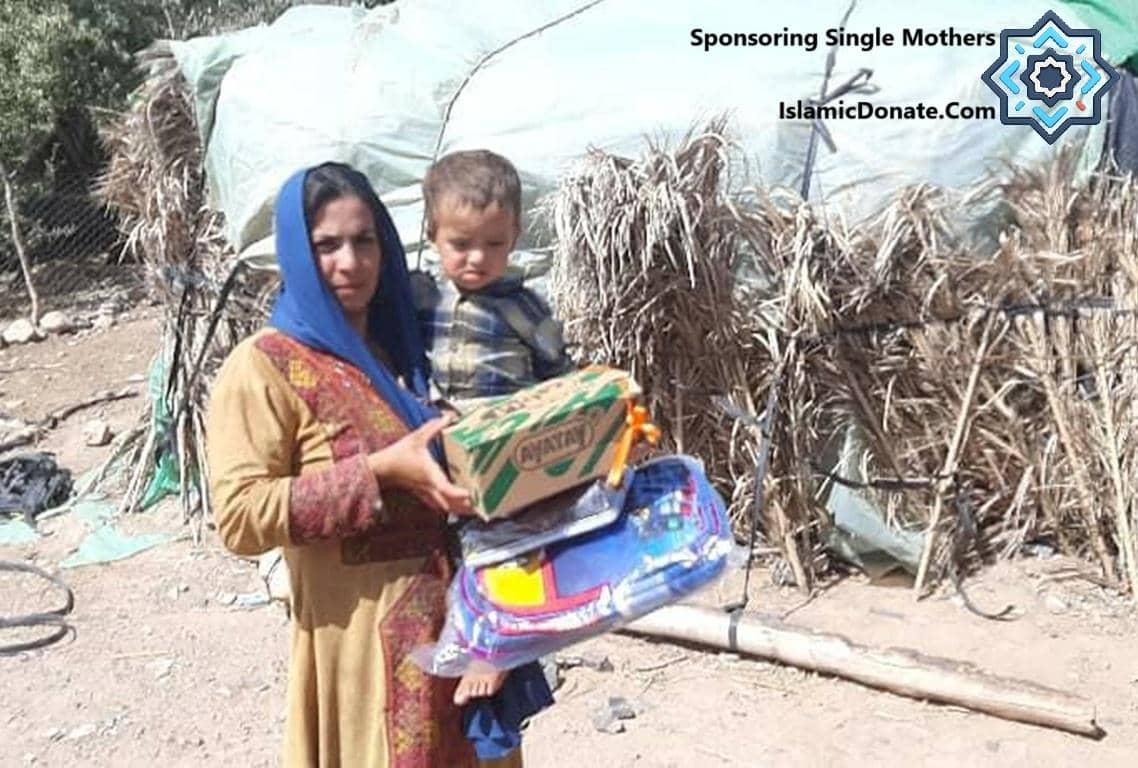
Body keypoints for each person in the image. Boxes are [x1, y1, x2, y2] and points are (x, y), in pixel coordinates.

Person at [206, 162, 510, 767]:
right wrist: (380, 473)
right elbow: (240, 518)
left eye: (364, 241)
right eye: (326, 245)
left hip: (465, 640)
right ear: (297, 254)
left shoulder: (413, 350)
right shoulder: (264, 367)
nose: (350, 262)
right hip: (367, 663)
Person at [412, 149, 572, 409]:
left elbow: (558, 371)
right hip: (441, 422)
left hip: (507, 423)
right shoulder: (423, 297)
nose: (478, 258)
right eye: (461, 244)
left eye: (494, 243)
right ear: (432, 236)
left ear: (514, 236)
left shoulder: (523, 307)